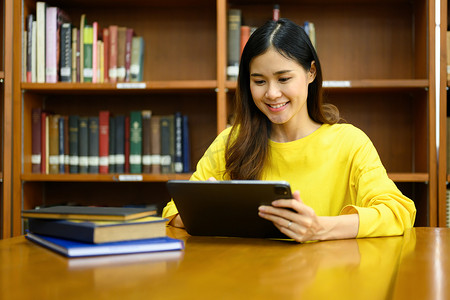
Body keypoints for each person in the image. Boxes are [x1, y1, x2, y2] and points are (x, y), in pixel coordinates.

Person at [163, 18, 416, 242]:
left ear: (311, 73)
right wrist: (209, 214)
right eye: (259, 81)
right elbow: (174, 210)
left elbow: (399, 212)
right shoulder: (231, 141)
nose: (272, 93)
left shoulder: (350, 143)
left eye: (284, 79)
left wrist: (320, 228)